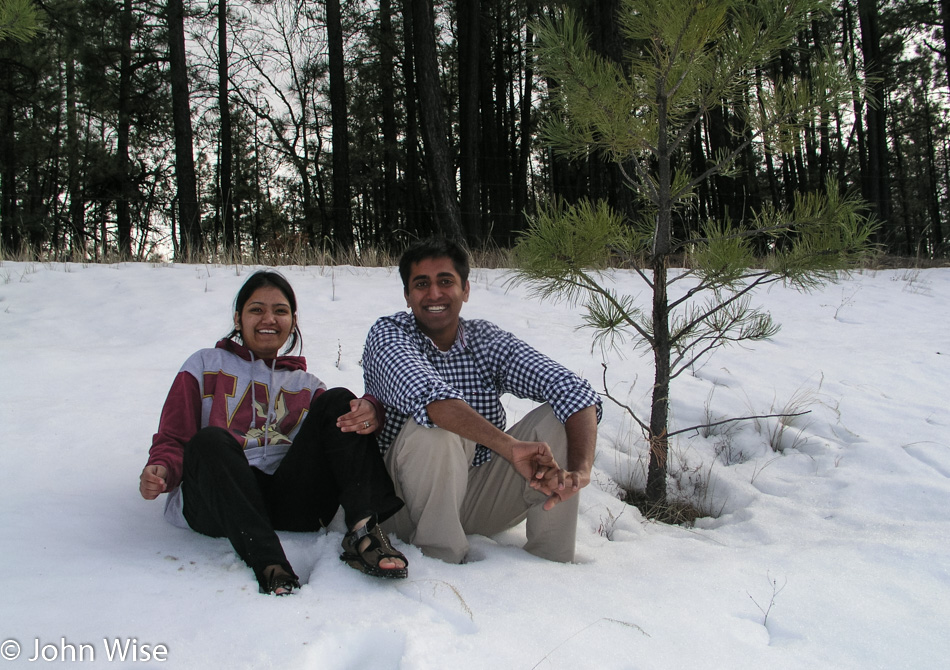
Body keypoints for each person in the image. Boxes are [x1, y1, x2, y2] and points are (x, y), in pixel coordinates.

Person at [139, 270, 408, 595]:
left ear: (293, 321)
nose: (269, 318)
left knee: (340, 400)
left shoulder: (307, 386)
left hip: (292, 503)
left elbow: (341, 442)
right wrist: (164, 469)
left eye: (280, 311)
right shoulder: (204, 365)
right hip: (218, 502)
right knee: (210, 441)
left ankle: (364, 532)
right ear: (238, 319)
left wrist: (370, 410)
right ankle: (268, 561)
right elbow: (174, 435)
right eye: (256, 310)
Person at [362, 238, 601, 564]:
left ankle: (552, 568)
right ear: (407, 295)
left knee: (561, 415)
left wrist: (581, 469)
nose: (434, 294)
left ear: (465, 290)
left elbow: (573, 389)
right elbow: (433, 400)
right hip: (402, 504)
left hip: (477, 497)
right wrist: (509, 446)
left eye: (445, 281)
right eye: (421, 284)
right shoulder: (389, 335)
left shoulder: (485, 339)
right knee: (436, 428)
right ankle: (441, 564)